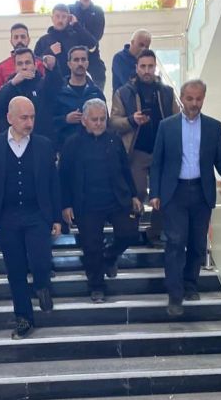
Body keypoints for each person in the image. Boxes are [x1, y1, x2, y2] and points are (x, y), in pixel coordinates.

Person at [149, 79, 221, 316]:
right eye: (189, 98)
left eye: (199, 99)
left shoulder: (214, 127)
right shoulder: (167, 126)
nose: (194, 103)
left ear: (203, 98)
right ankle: (175, 295)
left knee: (197, 243)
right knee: (175, 243)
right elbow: (157, 162)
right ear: (182, 98)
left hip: (202, 192)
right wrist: (155, 193)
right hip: (174, 192)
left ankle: (191, 285)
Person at [0, 97, 61, 340]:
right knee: (15, 270)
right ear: (9, 118)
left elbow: (53, 183)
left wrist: (56, 217)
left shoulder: (44, 145)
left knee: (41, 261)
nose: (29, 122)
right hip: (6, 216)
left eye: (32, 117)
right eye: (24, 117)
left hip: (37, 213)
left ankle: (42, 284)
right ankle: (24, 317)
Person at [59, 99, 141, 303]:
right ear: (84, 121)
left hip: (116, 199)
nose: (98, 123)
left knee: (130, 233)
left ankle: (109, 256)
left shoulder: (114, 140)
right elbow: (63, 177)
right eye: (94, 119)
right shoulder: (71, 144)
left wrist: (133, 195)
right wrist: (66, 204)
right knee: (91, 247)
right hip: (86, 203)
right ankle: (96, 286)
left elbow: (125, 169)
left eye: (102, 119)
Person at [110, 49, 179, 245]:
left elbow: (177, 119)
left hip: (162, 152)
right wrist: (132, 120)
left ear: (155, 67)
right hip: (136, 151)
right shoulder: (123, 93)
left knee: (163, 193)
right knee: (137, 191)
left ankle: (154, 233)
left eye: (150, 66)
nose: (147, 70)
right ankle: (131, 231)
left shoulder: (167, 92)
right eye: (143, 66)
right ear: (136, 67)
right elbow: (113, 122)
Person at [0, 47, 61, 139]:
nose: (24, 67)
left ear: (35, 65)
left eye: (27, 63)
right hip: (14, 140)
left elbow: (56, 87)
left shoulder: (44, 85)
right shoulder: (9, 87)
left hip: (40, 139)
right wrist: (12, 84)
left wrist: (53, 68)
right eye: (20, 64)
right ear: (15, 67)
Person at [53, 46, 105, 150]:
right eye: (76, 60)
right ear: (69, 64)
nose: (80, 63)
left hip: (93, 148)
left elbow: (106, 121)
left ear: (87, 63)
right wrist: (65, 119)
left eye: (83, 59)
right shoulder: (58, 92)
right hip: (66, 148)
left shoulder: (96, 92)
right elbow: (48, 121)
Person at [34, 4, 98, 79]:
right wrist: (49, 51)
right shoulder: (43, 40)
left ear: (68, 18)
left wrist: (76, 25)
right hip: (50, 82)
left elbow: (92, 44)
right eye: (57, 16)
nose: (60, 20)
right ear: (52, 18)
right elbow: (35, 63)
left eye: (64, 17)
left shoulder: (76, 37)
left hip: (73, 81)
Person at [69, 0, 106, 90]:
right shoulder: (71, 10)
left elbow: (94, 41)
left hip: (93, 61)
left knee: (96, 93)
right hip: (72, 60)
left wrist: (76, 25)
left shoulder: (98, 12)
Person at [0, 23, 46, 90]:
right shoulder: (1, 67)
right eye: (16, 37)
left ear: (28, 40)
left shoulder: (41, 63)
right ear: (11, 41)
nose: (19, 40)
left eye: (23, 37)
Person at [112, 29, 152, 94]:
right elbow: (129, 82)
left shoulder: (146, 60)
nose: (144, 49)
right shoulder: (119, 58)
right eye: (141, 45)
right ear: (132, 42)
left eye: (147, 47)